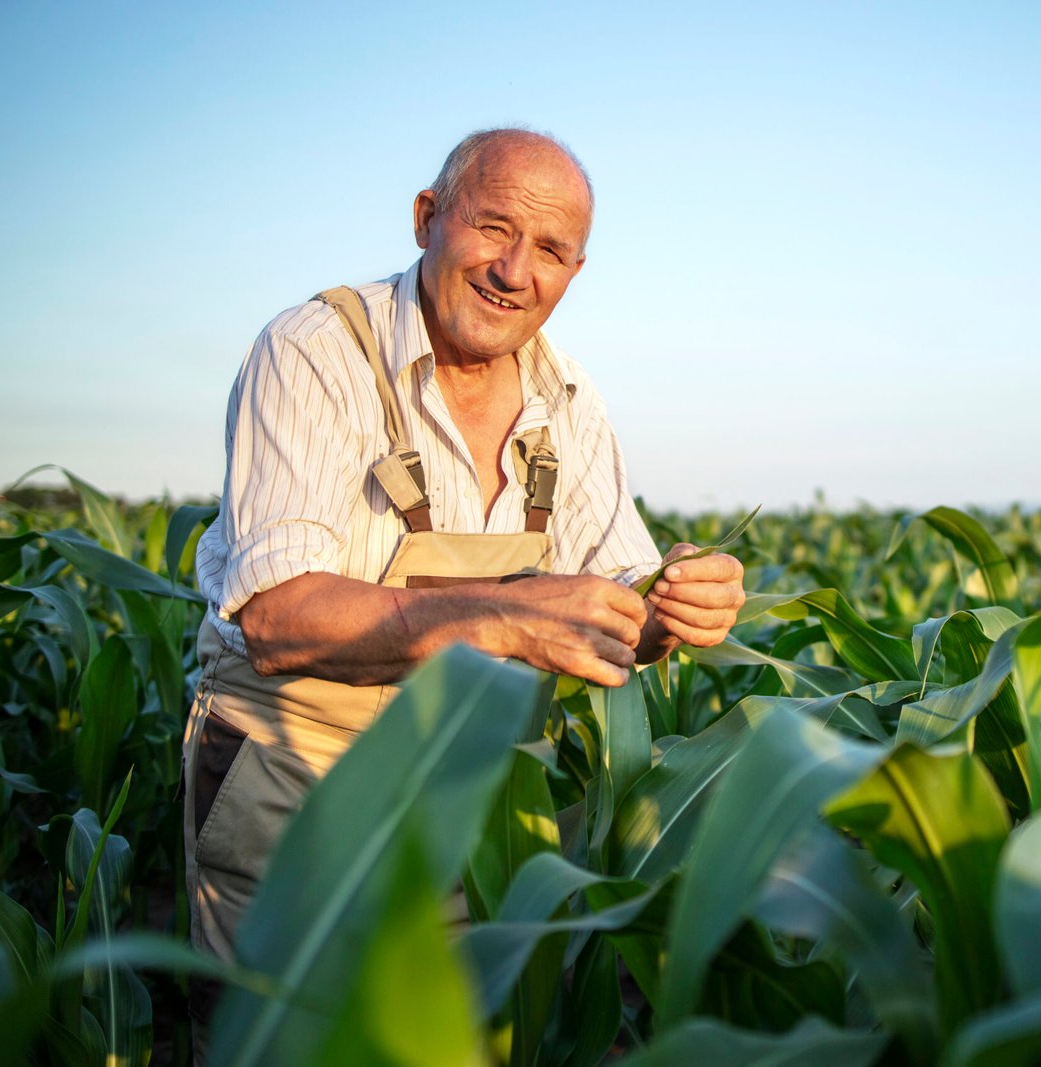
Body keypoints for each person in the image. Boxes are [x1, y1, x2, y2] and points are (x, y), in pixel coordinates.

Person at [181, 127, 744, 1030]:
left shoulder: (570, 402)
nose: (515, 270)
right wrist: (508, 616)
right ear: (426, 220)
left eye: (551, 251)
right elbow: (279, 618)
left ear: (574, 273)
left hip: (473, 795)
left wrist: (674, 602)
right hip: (294, 784)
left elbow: (618, 605)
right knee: (280, 1038)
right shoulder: (316, 353)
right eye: (494, 228)